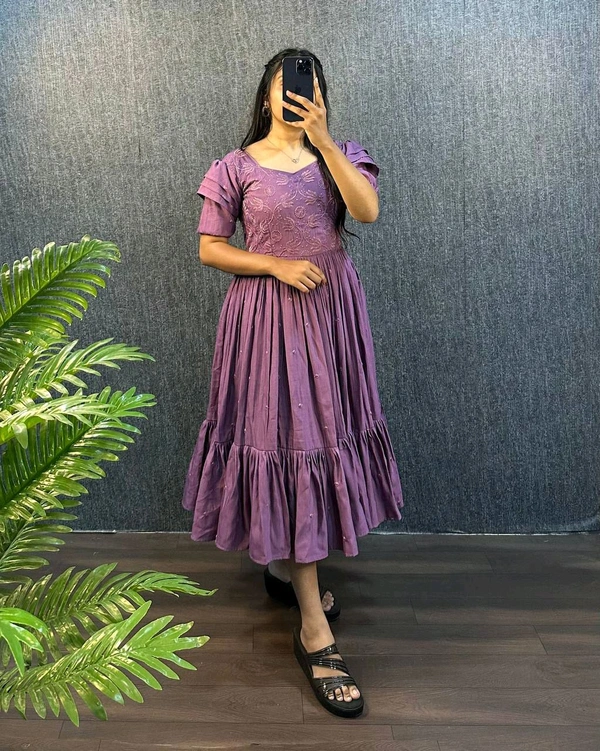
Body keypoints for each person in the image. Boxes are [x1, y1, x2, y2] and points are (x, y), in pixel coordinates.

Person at [182, 47, 404, 718]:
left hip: (331, 318)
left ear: (320, 96)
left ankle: (284, 568)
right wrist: (275, 265)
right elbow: (209, 247)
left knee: (318, 439)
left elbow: (366, 211)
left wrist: (325, 140)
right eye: (285, 84)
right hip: (267, 321)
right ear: (266, 94)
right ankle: (313, 628)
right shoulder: (234, 166)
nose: (296, 95)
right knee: (292, 444)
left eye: (308, 86)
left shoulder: (340, 154)